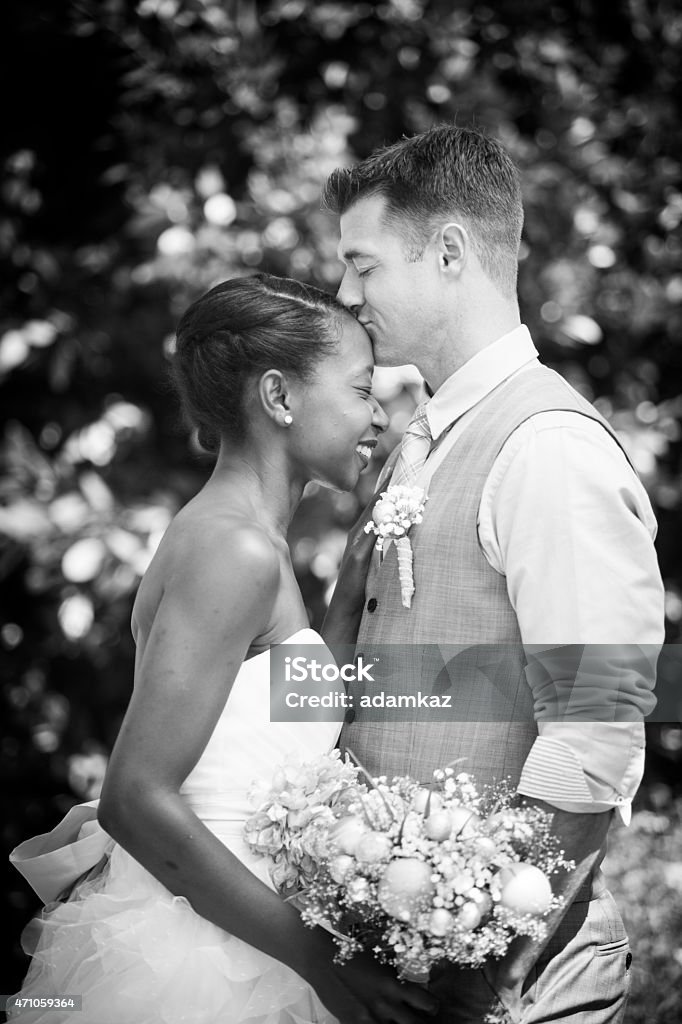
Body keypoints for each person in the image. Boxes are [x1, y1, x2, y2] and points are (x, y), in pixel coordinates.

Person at [8, 273, 439, 1024]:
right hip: (209, 959)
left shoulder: (252, 545)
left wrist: (347, 595)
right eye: (363, 390)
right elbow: (135, 798)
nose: (378, 416)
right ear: (279, 398)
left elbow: (268, 717)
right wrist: (316, 959)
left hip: (244, 932)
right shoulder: (232, 551)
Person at [322, 125, 664, 1023]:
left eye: (363, 265)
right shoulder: (424, 437)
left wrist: (491, 949)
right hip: (402, 965)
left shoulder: (546, 447)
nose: (343, 292)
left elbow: (596, 722)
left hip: (510, 982)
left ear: (447, 252)